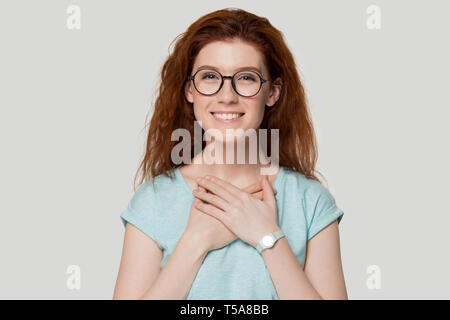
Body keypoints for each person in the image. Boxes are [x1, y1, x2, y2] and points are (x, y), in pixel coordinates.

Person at [113, 8, 347, 300]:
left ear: (272, 93)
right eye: (210, 76)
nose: (227, 96)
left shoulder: (309, 202)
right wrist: (195, 241)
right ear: (189, 90)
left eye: (246, 78)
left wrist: (268, 237)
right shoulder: (154, 202)